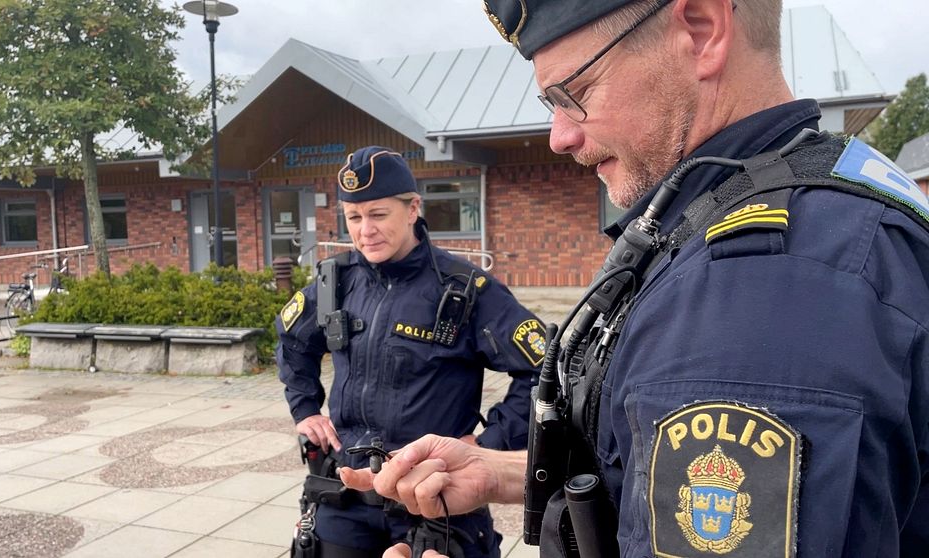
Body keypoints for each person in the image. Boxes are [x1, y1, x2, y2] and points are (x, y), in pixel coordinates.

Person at [342, 0, 929, 556]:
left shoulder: (752, 290)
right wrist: (505, 470)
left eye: (575, 93)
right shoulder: (805, 192)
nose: (560, 136)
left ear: (702, 30)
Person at [277, 145, 545, 557]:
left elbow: (543, 369)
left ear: (413, 208)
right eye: (354, 217)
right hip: (344, 491)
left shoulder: (463, 289)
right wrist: (305, 408)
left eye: (378, 214)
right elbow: (292, 340)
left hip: (434, 495)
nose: (365, 230)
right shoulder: (336, 282)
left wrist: (488, 444)